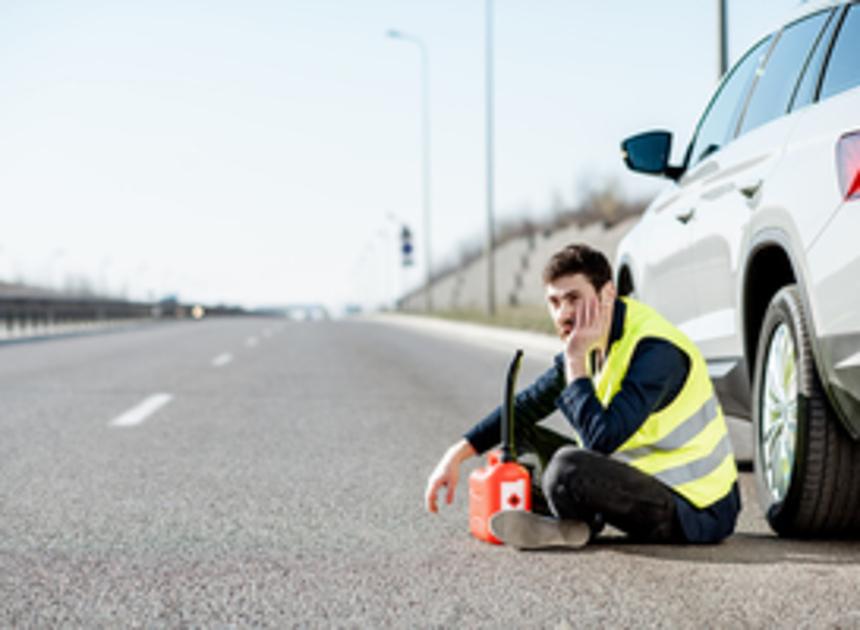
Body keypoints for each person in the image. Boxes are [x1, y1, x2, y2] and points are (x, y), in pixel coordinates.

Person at [424, 243, 741, 549]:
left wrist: (575, 360)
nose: (563, 314)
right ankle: (571, 524)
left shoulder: (655, 350)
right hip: (641, 485)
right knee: (516, 436)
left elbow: (600, 440)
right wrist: (456, 455)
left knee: (568, 468)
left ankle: (569, 522)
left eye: (574, 298)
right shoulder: (592, 340)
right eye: (554, 302)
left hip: (697, 508)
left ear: (607, 294)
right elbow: (526, 405)